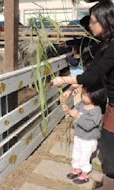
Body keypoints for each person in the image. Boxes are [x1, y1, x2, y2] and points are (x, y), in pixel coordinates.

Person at [52, 1, 114, 189]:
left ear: (105, 20)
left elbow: (93, 74)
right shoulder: (106, 44)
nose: (90, 25)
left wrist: (63, 81)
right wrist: (72, 87)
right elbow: (92, 70)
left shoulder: (112, 46)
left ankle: (110, 182)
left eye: (93, 21)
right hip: (112, 102)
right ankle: (109, 177)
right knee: (106, 140)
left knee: (108, 143)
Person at [62, 81, 106, 184]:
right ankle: (77, 168)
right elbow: (75, 110)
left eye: (85, 94)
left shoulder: (96, 111)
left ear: (95, 96)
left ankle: (85, 174)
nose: (82, 96)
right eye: (83, 93)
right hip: (79, 136)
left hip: (89, 140)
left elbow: (88, 126)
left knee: (84, 157)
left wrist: (78, 116)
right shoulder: (81, 104)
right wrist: (68, 110)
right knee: (76, 153)